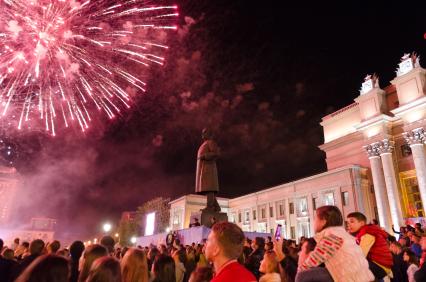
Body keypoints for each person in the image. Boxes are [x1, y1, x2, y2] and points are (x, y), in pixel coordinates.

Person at [296, 205, 374, 282]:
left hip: (351, 277)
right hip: (359, 275)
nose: (313, 222)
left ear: (323, 221)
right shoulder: (341, 233)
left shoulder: (331, 236)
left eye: (315, 218)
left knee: (303, 275)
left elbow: (314, 259)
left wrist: (300, 269)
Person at [347, 211, 393, 280]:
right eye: (347, 223)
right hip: (378, 264)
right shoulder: (362, 233)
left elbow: (360, 255)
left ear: (362, 223)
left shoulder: (368, 233)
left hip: (381, 266)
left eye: (352, 222)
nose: (349, 225)